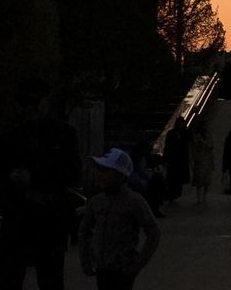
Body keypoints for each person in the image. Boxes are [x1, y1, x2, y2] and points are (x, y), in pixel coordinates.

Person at [0, 77, 81, 290]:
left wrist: (33, 178)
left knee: (50, 278)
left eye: (35, 102)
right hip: (18, 217)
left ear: (46, 101)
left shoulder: (64, 134)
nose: (30, 108)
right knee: (11, 278)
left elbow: (72, 172)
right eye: (26, 103)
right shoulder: (9, 137)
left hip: (50, 218)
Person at [78, 148, 160, 290]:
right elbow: (84, 230)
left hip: (123, 269)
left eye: (106, 171)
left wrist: (137, 264)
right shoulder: (97, 201)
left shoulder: (134, 201)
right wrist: (86, 260)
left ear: (120, 175)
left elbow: (153, 232)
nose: (100, 176)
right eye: (100, 170)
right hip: (102, 267)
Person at [127, 140, 166, 219]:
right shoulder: (133, 159)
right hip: (132, 183)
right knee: (154, 185)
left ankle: (156, 205)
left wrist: (152, 175)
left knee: (157, 179)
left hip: (136, 181)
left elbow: (142, 172)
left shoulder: (138, 158)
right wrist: (147, 180)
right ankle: (155, 208)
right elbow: (134, 175)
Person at [161, 116, 190, 203]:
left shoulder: (184, 133)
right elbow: (167, 146)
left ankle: (174, 194)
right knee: (172, 178)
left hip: (181, 158)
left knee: (177, 178)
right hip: (173, 159)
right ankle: (171, 194)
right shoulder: (171, 133)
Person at [188, 119, 214, 205]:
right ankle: (199, 197)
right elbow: (193, 148)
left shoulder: (208, 135)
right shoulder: (196, 136)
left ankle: (203, 197)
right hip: (200, 159)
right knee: (199, 181)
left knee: (206, 180)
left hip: (207, 159)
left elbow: (211, 147)